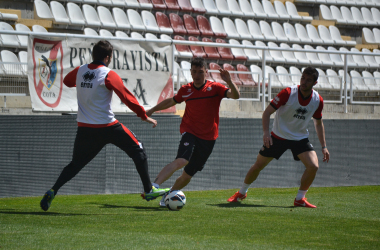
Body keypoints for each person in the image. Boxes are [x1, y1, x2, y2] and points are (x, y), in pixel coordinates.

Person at [40, 40, 169, 211]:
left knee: (75, 165)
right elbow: (126, 97)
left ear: (93, 55)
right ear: (108, 58)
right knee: (138, 149)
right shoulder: (108, 74)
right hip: (108, 127)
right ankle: (148, 189)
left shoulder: (80, 70)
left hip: (85, 129)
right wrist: (143, 115)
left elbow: (66, 81)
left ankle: (53, 190)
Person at [227, 66, 330, 208]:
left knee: (313, 166)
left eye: (308, 80)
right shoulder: (288, 93)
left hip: (300, 139)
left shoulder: (317, 100)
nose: (304, 82)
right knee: (258, 166)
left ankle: (300, 198)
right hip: (278, 136)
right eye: (303, 78)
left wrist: (324, 146)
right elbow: (266, 113)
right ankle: (242, 192)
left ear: (315, 83)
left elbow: (318, 123)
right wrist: (266, 134)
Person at [145, 57, 240, 206]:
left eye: (200, 72)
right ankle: (153, 186)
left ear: (206, 73)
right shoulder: (186, 89)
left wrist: (229, 81)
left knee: (187, 175)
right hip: (189, 131)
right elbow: (171, 100)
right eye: (194, 72)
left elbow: (236, 95)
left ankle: (168, 197)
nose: (196, 75)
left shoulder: (215, 88)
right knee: (182, 160)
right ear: (190, 72)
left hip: (208, 138)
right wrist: (151, 110)